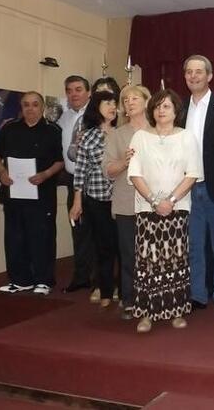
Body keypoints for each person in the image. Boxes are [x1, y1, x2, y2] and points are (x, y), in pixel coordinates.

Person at [127, 89, 202, 333]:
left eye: (167, 106)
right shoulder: (139, 137)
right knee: (147, 261)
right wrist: (153, 201)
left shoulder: (187, 137)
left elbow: (192, 173)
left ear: (176, 111)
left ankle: (176, 310)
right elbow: (135, 173)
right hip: (146, 208)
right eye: (158, 106)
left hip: (177, 207)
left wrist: (169, 200)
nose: (161, 110)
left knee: (175, 260)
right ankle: (146, 313)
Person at [0, 92, 64, 295]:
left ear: (42, 108)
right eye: (26, 105)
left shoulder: (53, 131)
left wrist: (46, 174)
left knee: (42, 238)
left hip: (42, 194)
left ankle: (43, 281)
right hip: (13, 193)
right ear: (21, 107)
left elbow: (60, 161)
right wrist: (2, 172)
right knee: (14, 238)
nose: (30, 108)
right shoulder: (10, 129)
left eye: (35, 104)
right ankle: (20, 280)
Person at [180, 55, 214, 318]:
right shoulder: (179, 109)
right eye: (189, 72)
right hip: (187, 188)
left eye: (198, 71)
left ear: (209, 76)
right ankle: (197, 294)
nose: (193, 76)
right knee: (194, 245)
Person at [102, 85, 151, 320]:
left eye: (135, 98)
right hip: (125, 202)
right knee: (129, 254)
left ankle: (153, 297)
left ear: (146, 101)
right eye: (126, 99)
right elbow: (108, 170)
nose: (130, 102)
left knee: (154, 254)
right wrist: (124, 161)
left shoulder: (160, 130)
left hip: (155, 202)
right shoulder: (117, 134)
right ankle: (130, 299)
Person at [69, 91, 119, 309]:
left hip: (122, 199)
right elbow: (81, 170)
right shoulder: (88, 136)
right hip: (96, 198)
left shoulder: (122, 133)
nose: (112, 107)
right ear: (96, 107)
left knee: (122, 246)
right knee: (102, 246)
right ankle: (104, 288)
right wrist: (77, 201)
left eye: (114, 103)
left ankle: (121, 287)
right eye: (107, 102)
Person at [57, 76, 95, 296]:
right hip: (73, 182)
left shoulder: (96, 115)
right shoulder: (64, 118)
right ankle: (81, 278)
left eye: (79, 89)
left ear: (89, 92)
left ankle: (102, 281)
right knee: (78, 230)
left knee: (100, 233)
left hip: (96, 182)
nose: (74, 94)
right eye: (69, 90)